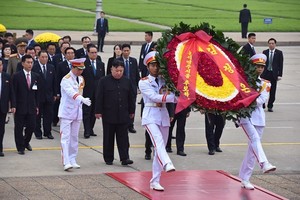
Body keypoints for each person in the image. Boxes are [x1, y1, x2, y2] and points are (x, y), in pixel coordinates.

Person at [139, 51, 177, 191]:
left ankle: (155, 180)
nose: (156, 68)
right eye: (153, 65)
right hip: (150, 115)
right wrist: (173, 98)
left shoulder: (164, 80)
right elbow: (155, 97)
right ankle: (167, 163)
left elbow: (175, 92)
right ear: (148, 67)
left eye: (157, 65)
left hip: (163, 116)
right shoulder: (143, 82)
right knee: (158, 142)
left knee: (158, 148)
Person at [239, 53, 276, 190]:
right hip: (245, 116)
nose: (259, 69)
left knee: (252, 149)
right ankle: (264, 163)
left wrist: (248, 100)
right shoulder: (244, 82)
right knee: (255, 139)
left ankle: (245, 178)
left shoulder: (266, 83)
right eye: (257, 66)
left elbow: (261, 101)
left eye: (261, 66)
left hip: (258, 118)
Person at [95, 59, 135, 166]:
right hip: (109, 114)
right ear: (111, 69)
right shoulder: (104, 81)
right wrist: (98, 111)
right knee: (108, 137)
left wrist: (132, 111)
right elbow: (99, 97)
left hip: (123, 114)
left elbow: (131, 97)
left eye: (121, 71)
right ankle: (108, 158)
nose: (119, 73)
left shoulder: (127, 81)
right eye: (117, 71)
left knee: (123, 138)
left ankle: (125, 157)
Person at [58, 58, 91, 171]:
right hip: (67, 111)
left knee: (74, 137)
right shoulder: (66, 79)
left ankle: (73, 159)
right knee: (65, 137)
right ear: (73, 67)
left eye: (82, 69)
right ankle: (66, 161)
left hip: (77, 111)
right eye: (78, 69)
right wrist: (82, 99)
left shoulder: (81, 79)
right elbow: (71, 93)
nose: (80, 71)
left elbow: (80, 90)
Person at [11, 55, 39, 155]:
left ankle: (26, 142)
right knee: (19, 127)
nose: (30, 64)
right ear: (23, 63)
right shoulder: (16, 76)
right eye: (28, 62)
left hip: (31, 105)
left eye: (31, 62)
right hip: (20, 105)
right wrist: (13, 105)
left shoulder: (35, 76)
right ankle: (20, 147)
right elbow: (13, 92)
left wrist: (37, 105)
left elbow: (37, 93)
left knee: (32, 126)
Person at [82, 44, 105, 139]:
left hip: (97, 92)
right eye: (92, 52)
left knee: (94, 111)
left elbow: (102, 79)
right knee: (87, 112)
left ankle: (91, 128)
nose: (94, 54)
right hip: (87, 91)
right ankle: (86, 130)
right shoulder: (83, 64)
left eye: (95, 52)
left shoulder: (100, 64)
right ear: (88, 53)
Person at [32, 50, 56, 140]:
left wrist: (55, 93)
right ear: (38, 57)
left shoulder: (51, 67)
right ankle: (38, 132)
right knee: (37, 115)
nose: (45, 59)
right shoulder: (34, 67)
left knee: (48, 115)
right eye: (42, 57)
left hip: (49, 95)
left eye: (46, 57)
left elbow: (54, 81)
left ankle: (48, 132)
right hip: (38, 96)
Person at [118, 44, 140, 133]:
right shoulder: (118, 61)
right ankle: (123, 124)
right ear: (122, 51)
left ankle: (131, 125)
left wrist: (138, 86)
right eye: (124, 51)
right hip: (121, 87)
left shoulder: (133, 61)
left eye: (128, 50)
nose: (126, 52)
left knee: (132, 106)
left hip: (132, 88)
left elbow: (136, 75)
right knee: (122, 106)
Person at [261, 38, 284, 112]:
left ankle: (270, 105)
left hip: (273, 74)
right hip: (265, 74)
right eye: (270, 43)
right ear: (268, 44)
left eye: (272, 43)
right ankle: (262, 104)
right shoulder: (265, 52)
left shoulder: (279, 53)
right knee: (263, 89)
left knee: (273, 91)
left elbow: (281, 64)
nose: (271, 45)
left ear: (275, 44)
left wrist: (280, 74)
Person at [0, 58, 14, 157]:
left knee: (1, 129)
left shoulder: (7, 77)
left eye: (0, 65)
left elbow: (11, 92)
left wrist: (13, 105)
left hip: (2, 107)